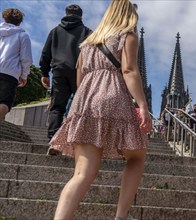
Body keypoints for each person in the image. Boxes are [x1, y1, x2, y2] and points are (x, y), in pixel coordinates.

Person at [49, 0, 152, 219]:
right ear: (130, 17)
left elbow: (79, 80)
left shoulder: (87, 44)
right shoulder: (128, 36)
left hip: (85, 102)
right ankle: (121, 215)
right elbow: (130, 70)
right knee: (136, 156)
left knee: (82, 173)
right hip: (113, 98)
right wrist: (142, 105)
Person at [39, 4, 92, 155]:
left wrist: (44, 73)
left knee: (57, 107)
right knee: (81, 107)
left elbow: (45, 54)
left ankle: (54, 141)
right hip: (80, 72)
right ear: (81, 16)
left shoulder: (55, 31)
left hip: (59, 71)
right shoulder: (87, 32)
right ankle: (77, 140)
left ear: (66, 14)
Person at [0, 8, 32, 120]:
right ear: (19, 21)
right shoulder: (23, 36)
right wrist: (24, 75)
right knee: (4, 102)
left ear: (4, 18)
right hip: (9, 73)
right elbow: (26, 59)